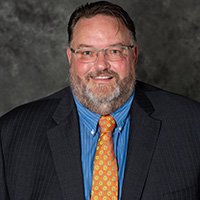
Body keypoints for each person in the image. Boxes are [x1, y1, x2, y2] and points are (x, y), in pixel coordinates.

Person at [0, 1, 200, 199]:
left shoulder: (192, 125)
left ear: (134, 55)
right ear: (70, 58)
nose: (101, 65)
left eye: (114, 51)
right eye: (87, 53)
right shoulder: (11, 135)